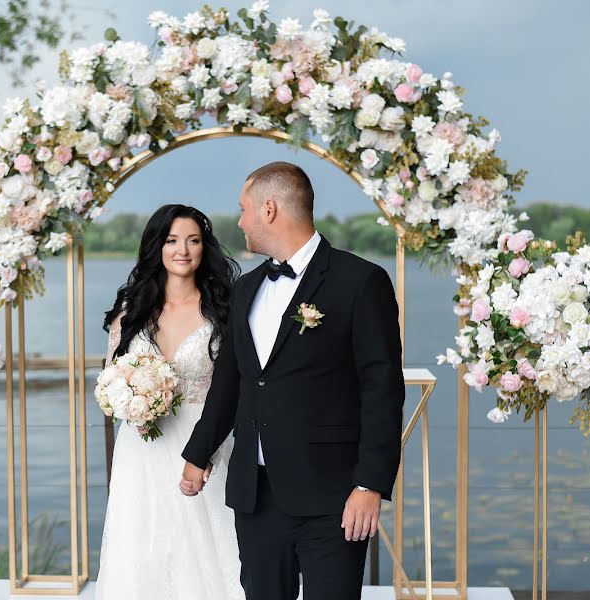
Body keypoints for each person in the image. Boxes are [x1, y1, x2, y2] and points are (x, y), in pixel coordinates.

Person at [180, 161, 405, 600]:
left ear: (268, 209)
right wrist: (198, 453)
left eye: (244, 209)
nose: (240, 221)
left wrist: (370, 485)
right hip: (256, 496)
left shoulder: (360, 282)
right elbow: (232, 382)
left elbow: (382, 390)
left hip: (334, 497)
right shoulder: (245, 289)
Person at [96, 204, 245, 600]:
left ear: (204, 248)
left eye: (193, 240)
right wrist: (130, 401)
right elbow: (111, 380)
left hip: (204, 441)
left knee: (207, 549)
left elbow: (236, 386)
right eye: (172, 240)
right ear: (156, 247)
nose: (183, 250)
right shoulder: (132, 312)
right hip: (141, 448)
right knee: (141, 551)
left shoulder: (223, 311)